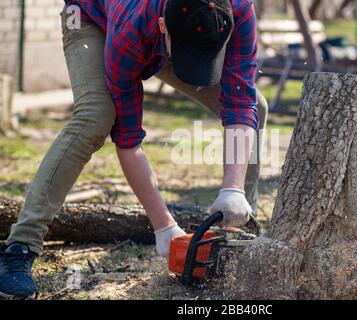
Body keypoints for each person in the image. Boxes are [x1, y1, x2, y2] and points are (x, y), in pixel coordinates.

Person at [0, 0, 267, 299]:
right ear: (164, 29)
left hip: (168, 31)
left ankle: (238, 229)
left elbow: (241, 102)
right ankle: (20, 246)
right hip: (89, 17)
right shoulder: (131, 28)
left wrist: (233, 190)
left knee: (257, 107)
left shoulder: (240, 7)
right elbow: (128, 138)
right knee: (96, 116)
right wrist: (164, 227)